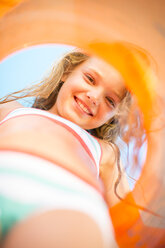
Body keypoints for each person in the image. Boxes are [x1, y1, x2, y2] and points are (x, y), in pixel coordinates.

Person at [0, 42, 151, 247]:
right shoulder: (11, 109)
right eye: (90, 79)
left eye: (110, 100)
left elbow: (129, 223)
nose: (94, 97)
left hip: (69, 205)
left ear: (112, 117)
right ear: (68, 71)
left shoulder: (105, 151)